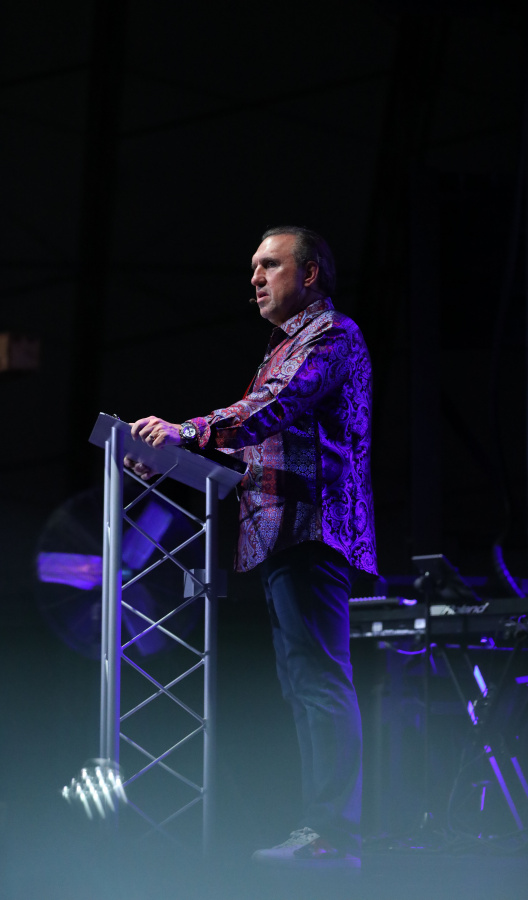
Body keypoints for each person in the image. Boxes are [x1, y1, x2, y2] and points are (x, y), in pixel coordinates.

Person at [127, 226, 377, 868]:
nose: (255, 278)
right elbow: (257, 445)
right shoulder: (282, 347)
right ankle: (319, 830)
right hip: (279, 535)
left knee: (320, 683)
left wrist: (186, 430)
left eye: (270, 265)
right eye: (253, 268)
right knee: (303, 686)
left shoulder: (331, 336)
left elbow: (275, 407)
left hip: (314, 529)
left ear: (310, 273)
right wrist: (171, 456)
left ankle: (335, 835)